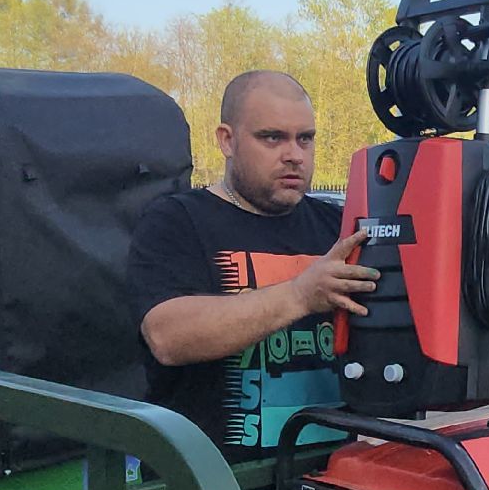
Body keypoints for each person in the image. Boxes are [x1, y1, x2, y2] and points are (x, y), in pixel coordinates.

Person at [127, 70, 377, 455]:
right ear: (227, 140)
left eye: (305, 138)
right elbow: (167, 337)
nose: (294, 155)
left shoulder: (340, 227)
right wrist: (301, 295)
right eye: (272, 137)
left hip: (330, 475)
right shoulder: (176, 220)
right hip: (212, 480)